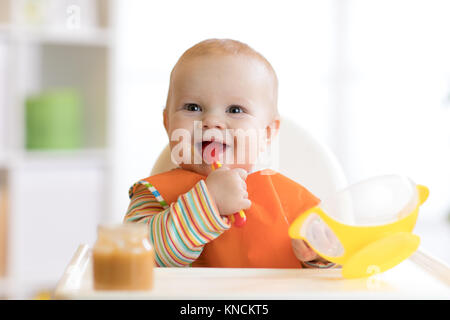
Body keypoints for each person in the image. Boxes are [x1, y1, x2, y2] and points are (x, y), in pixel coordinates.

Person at [124, 38, 335, 269]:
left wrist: (319, 254)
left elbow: (335, 274)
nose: (212, 121)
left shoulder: (289, 202)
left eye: (235, 110)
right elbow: (132, 259)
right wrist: (208, 203)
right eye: (193, 108)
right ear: (168, 123)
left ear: (266, 133)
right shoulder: (153, 196)